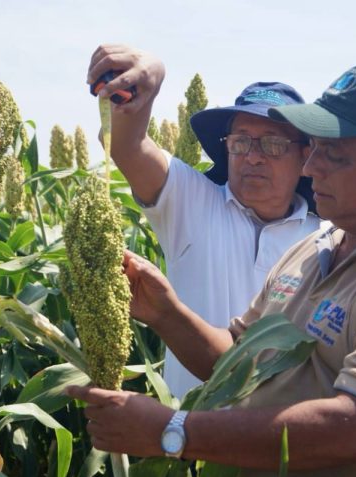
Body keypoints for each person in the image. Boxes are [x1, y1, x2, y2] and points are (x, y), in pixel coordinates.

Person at [68, 63, 356, 477]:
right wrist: (165, 313)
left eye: (334, 154)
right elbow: (237, 363)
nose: (311, 165)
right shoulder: (314, 249)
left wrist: (173, 430)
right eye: (315, 148)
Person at [87, 45, 323, 399]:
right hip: (183, 428)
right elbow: (126, 144)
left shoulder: (327, 241)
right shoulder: (191, 201)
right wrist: (150, 75)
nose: (253, 157)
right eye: (241, 142)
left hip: (281, 432)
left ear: (305, 157)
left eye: (272, 144)